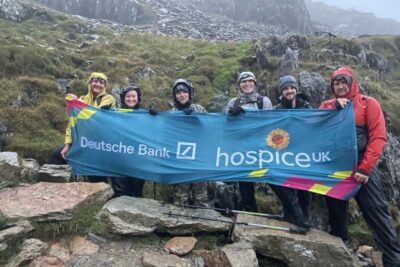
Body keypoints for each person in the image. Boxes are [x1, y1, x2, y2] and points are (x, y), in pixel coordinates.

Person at [320, 66, 400, 266]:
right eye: (336, 83)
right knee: (336, 212)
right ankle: (340, 253)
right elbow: (316, 127)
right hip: (336, 166)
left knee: (375, 210)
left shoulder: (368, 103)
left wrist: (365, 169)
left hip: (362, 166)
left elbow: (378, 137)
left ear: (351, 83)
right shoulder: (327, 105)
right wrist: (334, 108)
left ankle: (392, 259)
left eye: (343, 82)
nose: (339, 86)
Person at [269, 75, 312, 230]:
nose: (289, 91)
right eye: (286, 88)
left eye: (292, 87)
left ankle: (305, 220)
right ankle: (296, 216)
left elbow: (317, 123)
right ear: (281, 92)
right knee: (278, 182)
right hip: (283, 154)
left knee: (304, 188)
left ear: (296, 89)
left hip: (303, 154)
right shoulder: (276, 110)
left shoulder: (306, 107)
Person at [226, 71, 273, 212]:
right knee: (245, 185)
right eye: (243, 82)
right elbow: (225, 127)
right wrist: (230, 116)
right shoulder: (233, 102)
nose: (247, 84)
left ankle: (291, 213)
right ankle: (250, 213)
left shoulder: (263, 101)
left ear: (255, 83)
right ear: (239, 85)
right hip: (241, 150)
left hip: (261, 148)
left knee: (274, 180)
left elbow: (270, 123)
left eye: (250, 81)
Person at [59, 72, 116, 182]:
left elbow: (95, 115)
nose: (98, 84)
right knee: (56, 156)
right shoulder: (83, 99)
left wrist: (76, 102)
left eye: (101, 82)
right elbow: (72, 123)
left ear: (105, 86)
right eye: (95, 81)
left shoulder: (109, 99)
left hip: (101, 145)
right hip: (83, 143)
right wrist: (67, 144)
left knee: (96, 179)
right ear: (90, 83)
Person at [170, 79, 208, 206]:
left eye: (185, 92)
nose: (182, 95)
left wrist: (197, 118)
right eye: (178, 92)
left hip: (199, 159)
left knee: (201, 197)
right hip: (180, 160)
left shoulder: (199, 108)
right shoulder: (171, 113)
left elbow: (210, 128)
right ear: (175, 95)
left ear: (190, 93)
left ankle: (204, 223)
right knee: (181, 199)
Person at [111, 85, 145, 197]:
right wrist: (103, 113)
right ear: (123, 99)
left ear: (138, 98)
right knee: (121, 192)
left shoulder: (145, 115)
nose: (131, 99)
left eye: (134, 96)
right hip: (119, 160)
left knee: (137, 192)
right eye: (128, 96)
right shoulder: (115, 114)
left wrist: (154, 116)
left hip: (138, 160)